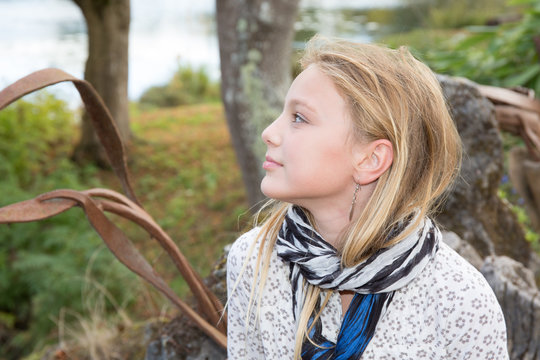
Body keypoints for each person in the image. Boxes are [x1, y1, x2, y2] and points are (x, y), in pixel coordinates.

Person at [226, 35, 508, 360]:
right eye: (283, 113)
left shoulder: (458, 299)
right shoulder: (254, 260)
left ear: (370, 160)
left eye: (299, 118)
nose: (269, 132)